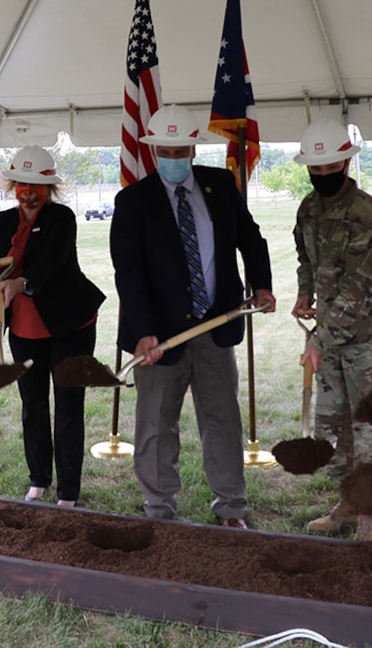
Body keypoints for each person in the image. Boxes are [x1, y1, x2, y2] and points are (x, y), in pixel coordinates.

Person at [109, 105, 275, 529]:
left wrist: (261, 283)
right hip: (159, 339)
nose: (174, 157)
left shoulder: (221, 185)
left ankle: (231, 508)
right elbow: (128, 274)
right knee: (156, 425)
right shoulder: (132, 202)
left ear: (193, 148)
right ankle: (159, 509)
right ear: (152, 150)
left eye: (181, 149)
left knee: (222, 421)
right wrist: (143, 332)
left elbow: (250, 238)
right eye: (166, 150)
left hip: (216, 328)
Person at [0, 146, 105, 506]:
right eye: (22, 185)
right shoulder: (4, 221)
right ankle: (38, 480)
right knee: (32, 404)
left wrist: (20, 282)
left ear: (49, 189)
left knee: (68, 406)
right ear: (14, 186)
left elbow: (49, 264)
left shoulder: (62, 219)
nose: (29, 193)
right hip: (24, 329)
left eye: (36, 186)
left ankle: (68, 493)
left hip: (70, 324)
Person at [291, 119, 372, 543]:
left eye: (329, 166)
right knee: (335, 427)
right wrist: (305, 294)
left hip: (369, 339)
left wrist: (318, 340)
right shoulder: (308, 209)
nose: (321, 175)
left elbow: (359, 290)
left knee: (370, 430)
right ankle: (349, 502)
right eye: (314, 169)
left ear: (346, 161)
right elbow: (306, 257)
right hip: (330, 337)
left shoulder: (367, 215)